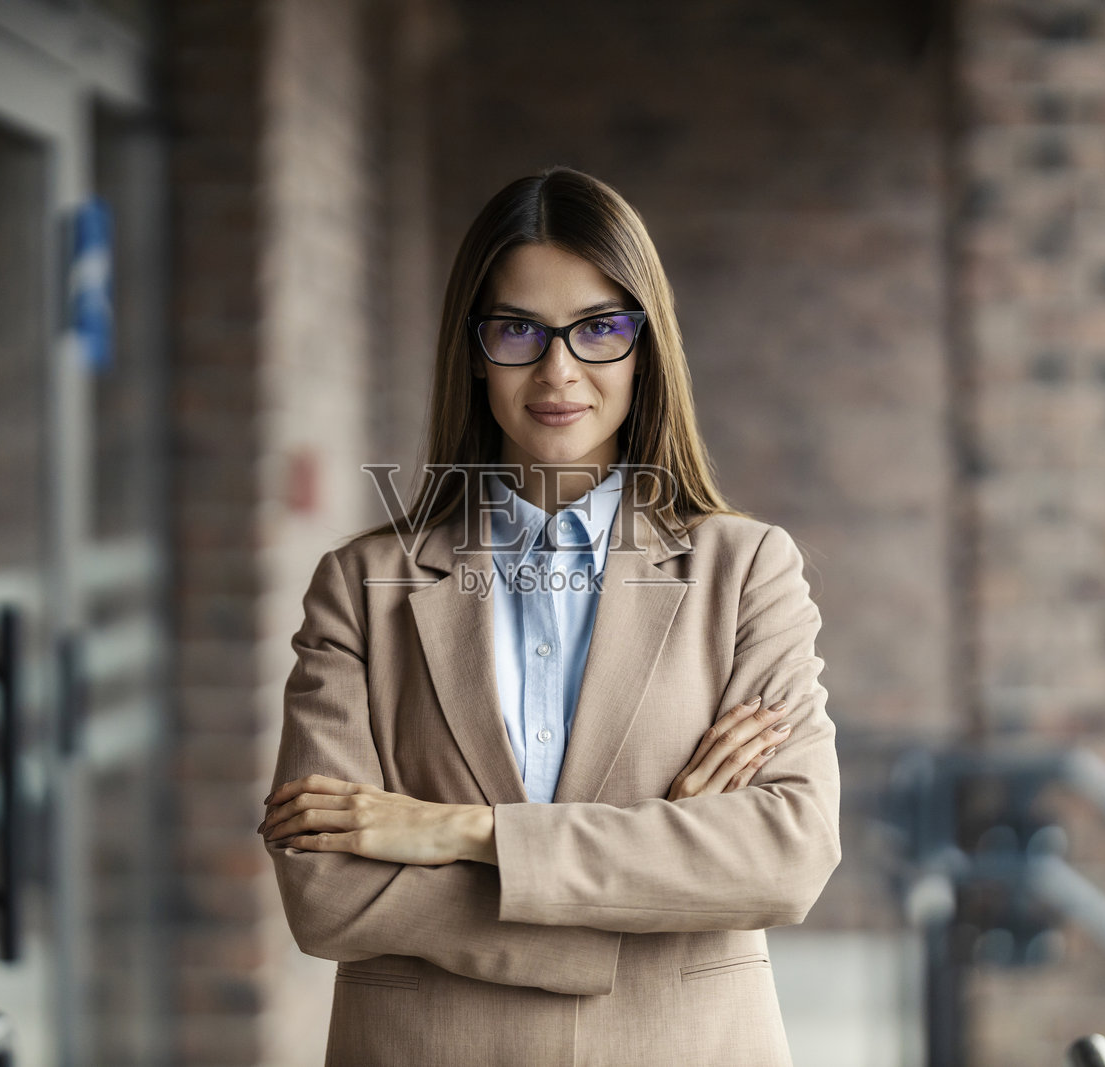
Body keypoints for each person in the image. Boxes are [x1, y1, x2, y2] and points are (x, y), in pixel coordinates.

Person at [258, 165, 841, 1066]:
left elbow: (788, 851)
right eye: (519, 329)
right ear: (474, 348)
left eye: (600, 328)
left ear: (646, 347)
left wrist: (459, 830)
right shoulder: (361, 586)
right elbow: (327, 892)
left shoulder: (746, 570)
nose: (559, 369)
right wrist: (655, 873)